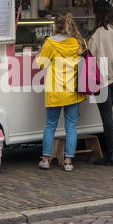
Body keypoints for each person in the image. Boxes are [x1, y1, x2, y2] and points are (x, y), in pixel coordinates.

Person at [36, 13, 86, 172]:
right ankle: (68, 161)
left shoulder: (50, 44)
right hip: (73, 91)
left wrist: (40, 52)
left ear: (55, 26)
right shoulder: (79, 43)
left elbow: (40, 64)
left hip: (55, 91)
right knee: (71, 126)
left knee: (50, 125)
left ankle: (45, 159)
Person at [88, 1, 113, 166]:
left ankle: (111, 155)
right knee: (109, 114)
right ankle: (110, 152)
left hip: (101, 79)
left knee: (107, 117)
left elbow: (90, 53)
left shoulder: (98, 34)